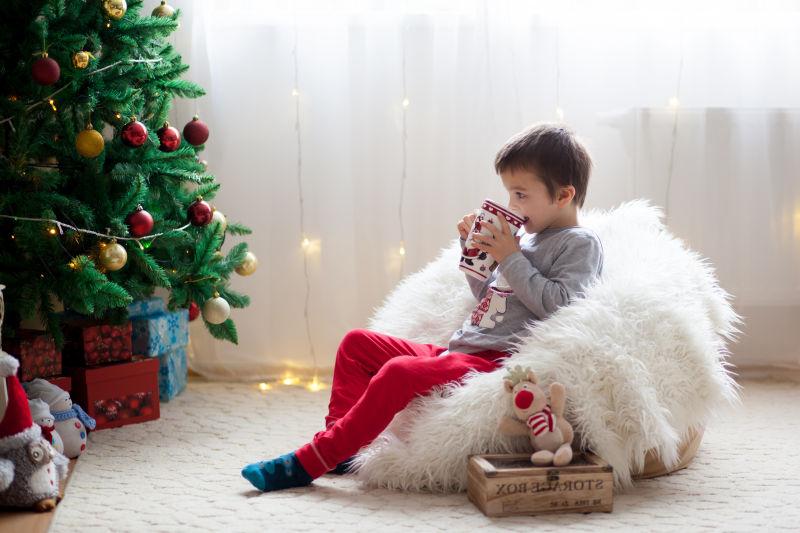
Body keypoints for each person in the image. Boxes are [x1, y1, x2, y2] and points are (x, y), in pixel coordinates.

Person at [241, 123, 604, 492]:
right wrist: (475, 253)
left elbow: (560, 305)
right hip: (462, 347)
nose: (512, 206)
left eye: (521, 195)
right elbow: (491, 300)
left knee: (398, 373)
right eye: (510, 193)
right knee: (357, 344)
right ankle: (342, 447)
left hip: (493, 360)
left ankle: (311, 460)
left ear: (563, 196)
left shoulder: (579, 244)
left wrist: (510, 256)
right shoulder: (526, 239)